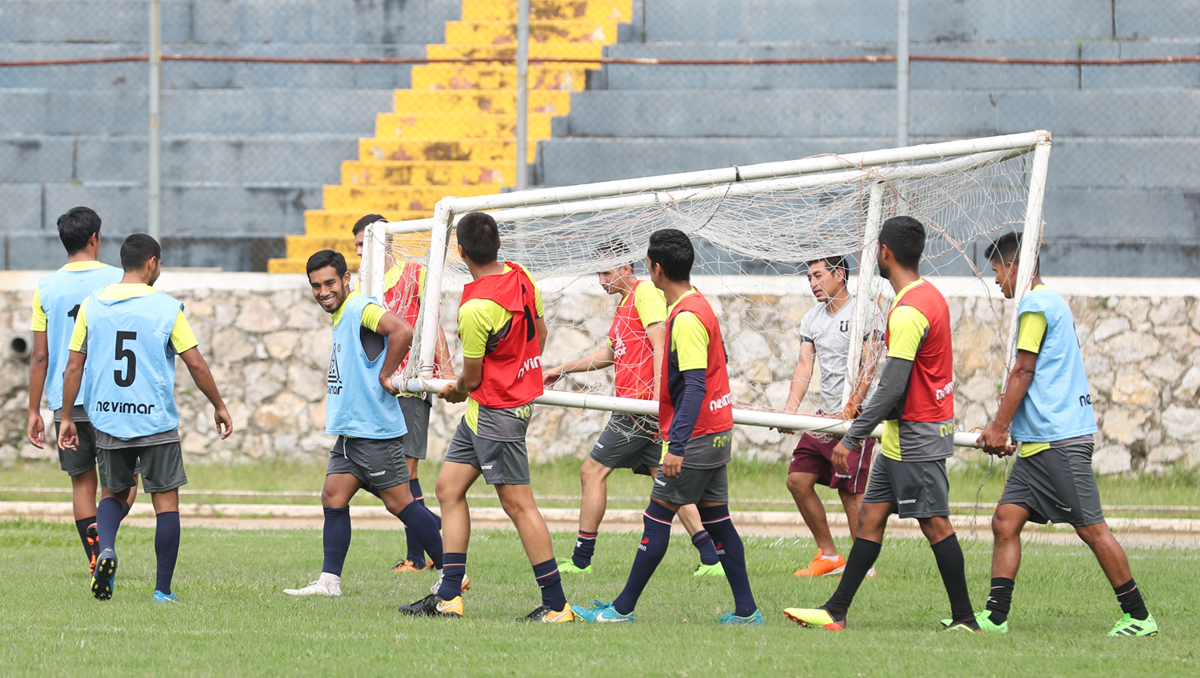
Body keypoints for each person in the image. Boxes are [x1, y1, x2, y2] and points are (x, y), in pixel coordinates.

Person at [784, 216, 978, 632]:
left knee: (935, 524)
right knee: (870, 519)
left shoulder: (908, 311)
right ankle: (836, 611)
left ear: (885, 253)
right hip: (899, 437)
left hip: (917, 436)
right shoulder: (929, 297)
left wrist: (851, 438)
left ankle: (965, 618)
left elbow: (891, 387)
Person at [573, 229, 762, 625]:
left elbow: (694, 385)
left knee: (656, 517)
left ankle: (621, 610)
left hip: (696, 437)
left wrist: (675, 445)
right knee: (718, 522)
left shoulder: (688, 316)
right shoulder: (695, 307)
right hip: (715, 432)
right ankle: (747, 611)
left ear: (655, 269)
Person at [974, 232, 1157, 637]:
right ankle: (996, 617)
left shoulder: (1036, 305)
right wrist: (1005, 429)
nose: (998, 280)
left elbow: (1024, 371)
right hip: (1039, 442)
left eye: (998, 271)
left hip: (1059, 441)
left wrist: (1000, 426)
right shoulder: (1049, 301)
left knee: (1092, 528)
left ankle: (1139, 617)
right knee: (1005, 521)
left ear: (1015, 268)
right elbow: (1037, 380)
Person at [397, 212, 573, 622]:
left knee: (519, 506)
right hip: (488, 410)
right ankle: (449, 596)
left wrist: (453, 390)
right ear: (498, 245)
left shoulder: (476, 307)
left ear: (460, 252)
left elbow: (471, 378)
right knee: (448, 488)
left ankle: (556, 604)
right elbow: (540, 335)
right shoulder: (521, 274)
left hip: (497, 413)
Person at [58, 234, 233, 603]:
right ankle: (162, 590)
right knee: (165, 504)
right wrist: (218, 404)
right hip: (154, 420)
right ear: (152, 263)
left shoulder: (94, 303)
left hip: (106, 417)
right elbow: (196, 363)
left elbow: (74, 366)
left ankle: (106, 550)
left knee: (113, 493)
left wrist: (68, 417)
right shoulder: (167, 307)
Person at [542, 242, 724, 577]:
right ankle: (711, 556)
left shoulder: (645, 294)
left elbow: (660, 346)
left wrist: (658, 403)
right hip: (643, 409)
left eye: (607, 271)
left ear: (628, 269)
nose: (601, 279)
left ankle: (581, 560)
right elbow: (608, 354)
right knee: (666, 481)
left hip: (639, 410)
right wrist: (563, 367)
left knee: (591, 472)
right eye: (598, 272)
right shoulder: (625, 304)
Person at [283, 250, 445, 597]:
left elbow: (402, 329)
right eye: (316, 286)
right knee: (333, 497)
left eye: (329, 283)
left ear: (345, 280)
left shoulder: (359, 308)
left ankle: (452, 573)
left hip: (373, 430)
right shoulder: (342, 314)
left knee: (400, 504)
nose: (323, 291)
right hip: (350, 433)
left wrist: (386, 374)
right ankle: (329, 582)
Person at [27, 207, 134, 575]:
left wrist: (33, 411)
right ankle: (105, 543)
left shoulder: (45, 288)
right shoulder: (120, 279)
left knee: (81, 482)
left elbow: (40, 356)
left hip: (65, 401)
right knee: (125, 483)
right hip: (112, 398)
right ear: (95, 238)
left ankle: (95, 555)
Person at [353, 214, 456, 573]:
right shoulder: (362, 293)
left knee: (406, 472)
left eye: (365, 245)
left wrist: (444, 371)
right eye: (356, 248)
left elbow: (432, 323)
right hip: (379, 390)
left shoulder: (414, 272)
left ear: (386, 243)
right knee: (374, 475)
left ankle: (418, 557)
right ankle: (434, 527)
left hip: (410, 386)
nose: (360, 253)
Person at [782, 256, 883, 578]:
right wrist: (790, 410)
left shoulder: (865, 311)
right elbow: (804, 366)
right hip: (825, 417)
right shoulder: (812, 318)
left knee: (850, 492)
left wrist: (852, 408)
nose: (812, 283)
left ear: (840, 275)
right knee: (797, 480)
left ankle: (863, 567)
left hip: (857, 417)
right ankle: (828, 554)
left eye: (818, 275)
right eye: (809, 277)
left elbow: (869, 366)